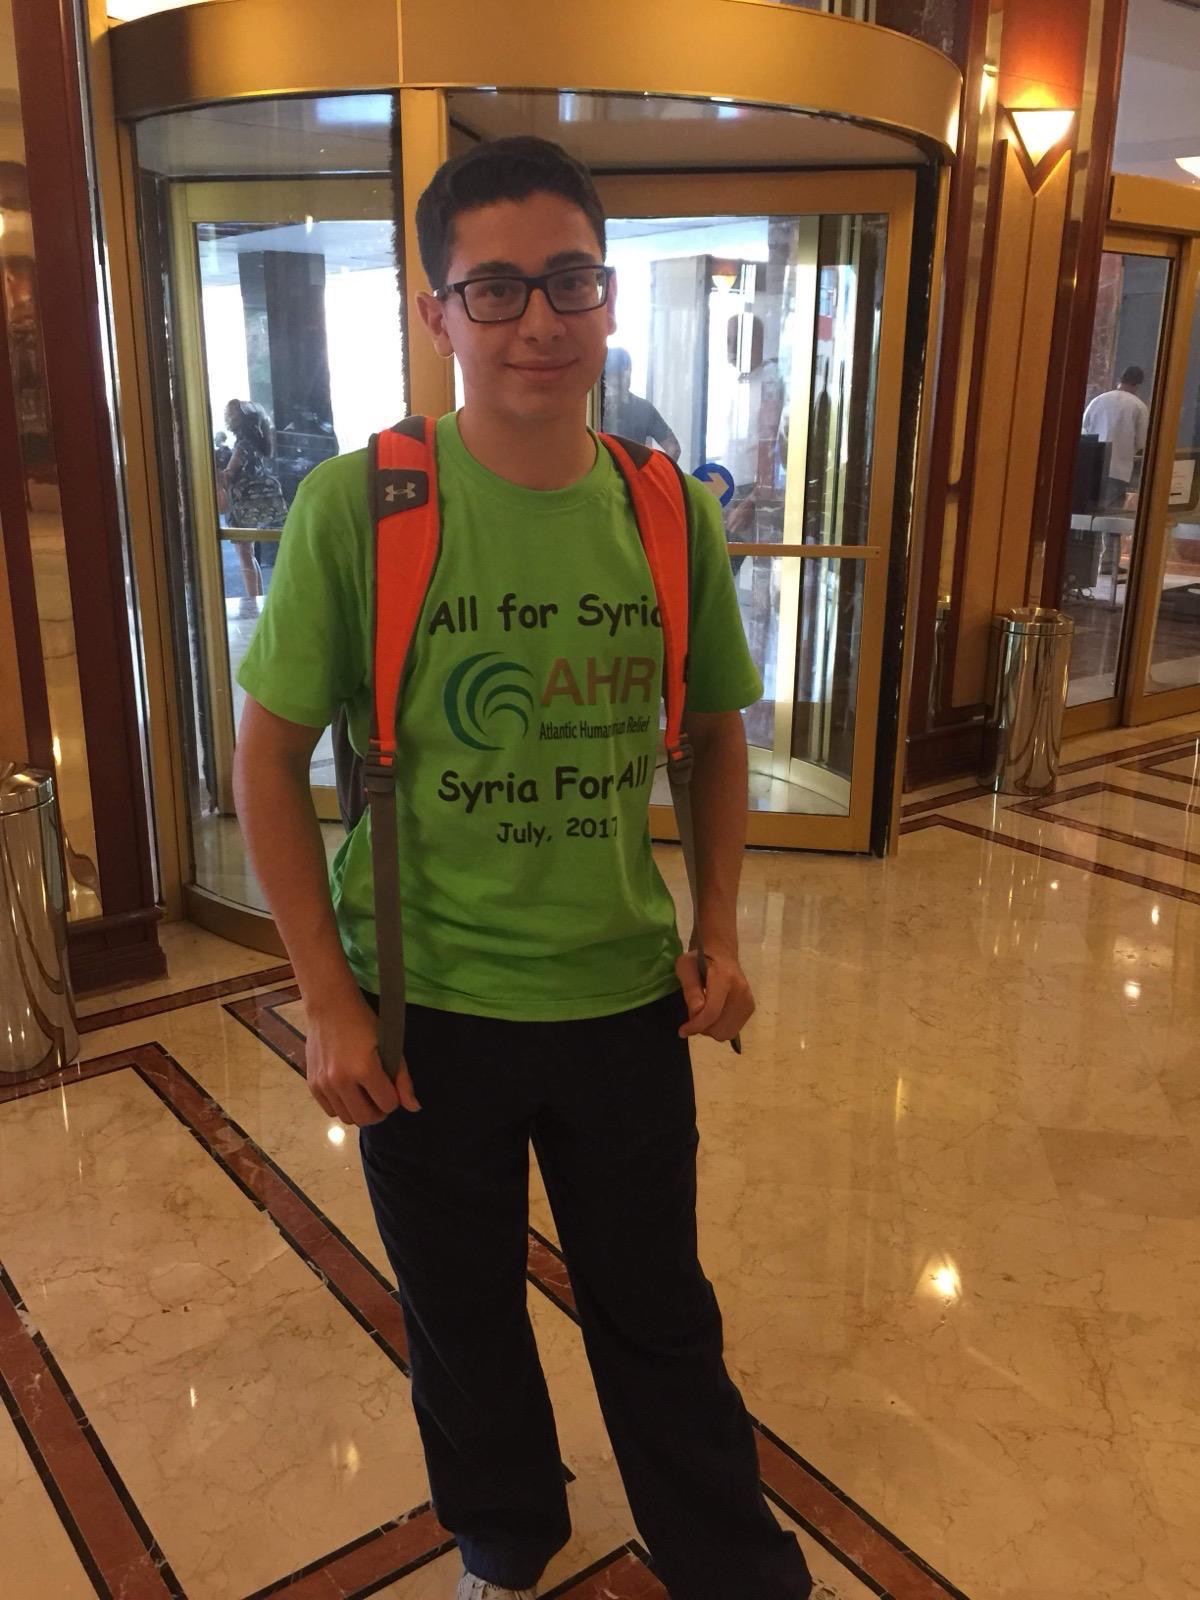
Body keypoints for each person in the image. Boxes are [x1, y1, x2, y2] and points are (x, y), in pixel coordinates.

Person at [233, 136, 813, 1600]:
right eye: (494, 289)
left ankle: (732, 1569)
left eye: (570, 281)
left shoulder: (664, 507)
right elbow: (266, 762)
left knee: (659, 1311)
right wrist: (327, 999)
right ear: (436, 311)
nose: (538, 321)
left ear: (606, 295)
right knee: (463, 1313)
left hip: (621, 995)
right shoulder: (363, 507)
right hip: (426, 1006)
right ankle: (503, 1541)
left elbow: (715, 736)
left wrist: (721, 926)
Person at [219, 399, 289, 618]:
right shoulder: (258, 443)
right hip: (256, 504)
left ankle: (252, 603)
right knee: (249, 553)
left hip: (242, 505)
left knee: (244, 554)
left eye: (230, 416)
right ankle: (257, 599)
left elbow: (229, 474)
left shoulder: (242, 447)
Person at [1082, 365, 1150, 508]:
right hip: (1119, 469)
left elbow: (1084, 430)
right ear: (1138, 385)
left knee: (1088, 510)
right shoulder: (1139, 406)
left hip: (1092, 466)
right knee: (1111, 512)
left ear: (1119, 380)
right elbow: (1142, 441)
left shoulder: (1098, 400)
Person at [602, 345, 681, 459]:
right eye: (621, 373)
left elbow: (673, 448)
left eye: (627, 372)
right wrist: (656, 470)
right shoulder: (643, 408)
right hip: (633, 470)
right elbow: (673, 448)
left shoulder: (593, 409)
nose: (625, 377)